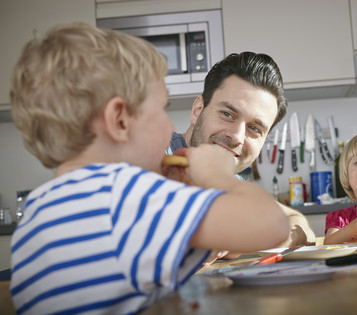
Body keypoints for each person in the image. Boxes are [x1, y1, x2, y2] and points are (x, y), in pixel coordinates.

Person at [8, 23, 289, 314]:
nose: (170, 126)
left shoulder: (39, 207)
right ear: (119, 120)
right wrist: (215, 174)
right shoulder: (128, 193)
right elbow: (271, 226)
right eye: (161, 109)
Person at [167, 52, 316, 249]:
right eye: (227, 114)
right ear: (198, 109)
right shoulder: (152, 155)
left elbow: (297, 221)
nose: (237, 137)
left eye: (254, 129)